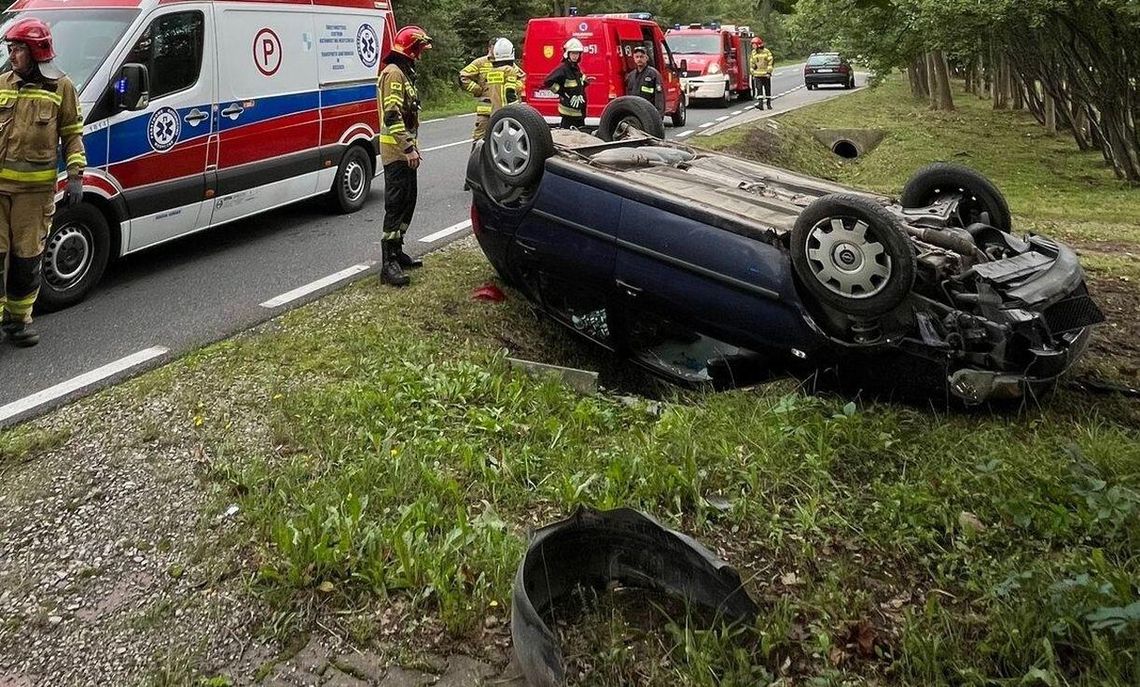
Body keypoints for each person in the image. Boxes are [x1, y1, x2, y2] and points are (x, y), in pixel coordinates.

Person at [0, 18, 85, 347]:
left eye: (18, 49)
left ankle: (18, 322)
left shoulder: (61, 87)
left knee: (25, 258)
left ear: (36, 51)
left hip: (33, 196)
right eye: (10, 48)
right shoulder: (3, 82)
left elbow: (72, 136)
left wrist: (76, 175)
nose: (12, 55)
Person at [377, 25, 432, 287]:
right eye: (420, 49)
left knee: (408, 202)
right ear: (411, 49)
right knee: (396, 205)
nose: (421, 54)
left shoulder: (404, 72)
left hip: (406, 150)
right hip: (396, 152)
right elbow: (392, 115)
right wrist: (407, 148)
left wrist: (411, 147)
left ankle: (398, 252)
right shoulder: (394, 74)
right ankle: (388, 265)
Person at [458, 38, 497, 144]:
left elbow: (521, 77)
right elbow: (463, 76)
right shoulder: (481, 62)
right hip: (485, 108)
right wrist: (477, 89)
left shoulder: (506, 62)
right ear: (490, 48)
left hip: (502, 108)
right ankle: (476, 159)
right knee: (479, 138)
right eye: (495, 47)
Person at [543, 38, 588, 129]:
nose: (575, 56)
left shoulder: (576, 68)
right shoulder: (563, 69)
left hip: (579, 112)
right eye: (573, 53)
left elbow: (576, 83)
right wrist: (563, 93)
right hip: (569, 114)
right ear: (567, 54)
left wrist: (584, 82)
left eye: (577, 53)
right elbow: (548, 81)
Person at [483, 38, 525, 116]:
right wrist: (516, 111)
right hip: (507, 113)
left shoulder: (491, 71)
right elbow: (509, 91)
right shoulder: (508, 70)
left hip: (495, 112)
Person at [624, 45, 664, 115]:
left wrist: (659, 114)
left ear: (646, 58)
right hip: (635, 111)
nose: (639, 59)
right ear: (634, 58)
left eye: (641, 57)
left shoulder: (653, 74)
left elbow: (659, 97)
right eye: (637, 57)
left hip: (649, 112)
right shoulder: (631, 76)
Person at [750, 37, 774, 110]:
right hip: (757, 75)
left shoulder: (766, 52)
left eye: (754, 44)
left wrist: (769, 72)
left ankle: (768, 104)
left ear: (758, 45)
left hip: (766, 75)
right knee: (759, 89)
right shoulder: (753, 53)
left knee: (767, 89)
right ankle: (760, 104)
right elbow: (752, 63)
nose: (753, 46)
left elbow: (771, 62)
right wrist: (753, 73)